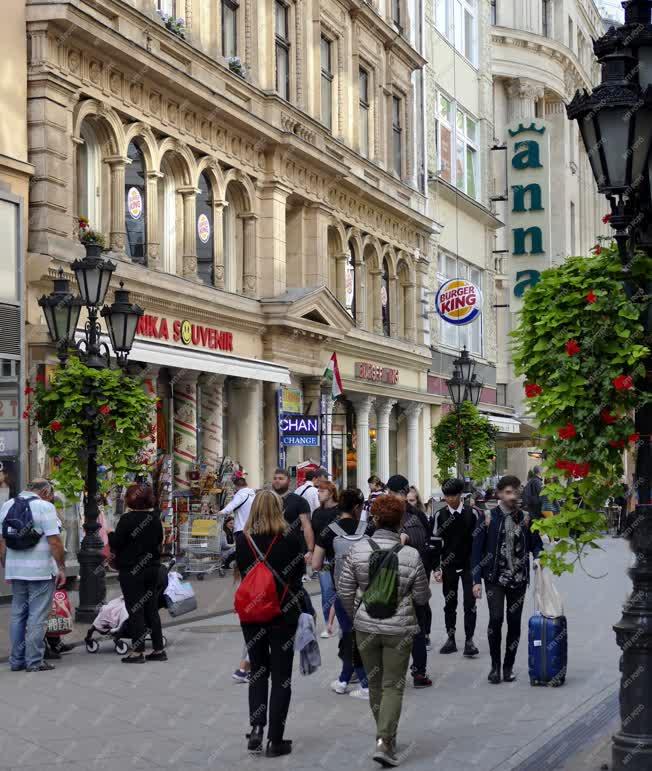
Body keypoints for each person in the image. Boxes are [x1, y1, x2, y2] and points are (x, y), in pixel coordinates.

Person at [338, 495, 430, 767]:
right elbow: (423, 597)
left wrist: (357, 611)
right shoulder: (411, 555)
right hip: (398, 629)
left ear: (375, 519)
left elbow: (344, 589)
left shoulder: (358, 550)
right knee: (393, 685)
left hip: (365, 627)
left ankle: (384, 736)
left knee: (376, 684)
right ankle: (385, 740)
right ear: (400, 520)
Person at [235, 490, 305, 757]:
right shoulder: (290, 537)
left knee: (258, 670)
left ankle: (256, 727)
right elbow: (298, 574)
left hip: (252, 614)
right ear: (279, 508)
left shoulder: (243, 540)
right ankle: (276, 740)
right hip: (283, 612)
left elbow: (243, 572)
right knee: (282, 676)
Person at [472, 475, 544, 684]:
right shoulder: (488, 517)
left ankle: (508, 666)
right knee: (496, 620)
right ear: (500, 494)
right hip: (494, 578)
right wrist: (476, 580)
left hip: (519, 580)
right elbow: (476, 551)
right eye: (509, 492)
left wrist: (539, 557)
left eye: (517, 492)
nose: (514, 496)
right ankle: (495, 666)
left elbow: (536, 544)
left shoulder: (526, 518)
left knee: (514, 623)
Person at [0, 478, 66, 672]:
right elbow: (54, 542)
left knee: (18, 614)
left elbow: (2, 540)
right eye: (51, 493)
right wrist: (61, 567)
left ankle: (16, 660)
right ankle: (34, 661)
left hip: (16, 570)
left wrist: (6, 564)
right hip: (40, 571)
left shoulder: (8, 504)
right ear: (45, 492)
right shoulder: (45, 507)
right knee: (37, 616)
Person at [313, 487, 369, 698]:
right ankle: (346, 680)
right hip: (367, 593)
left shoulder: (329, 530)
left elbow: (317, 564)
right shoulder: (368, 528)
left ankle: (362, 683)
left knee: (350, 635)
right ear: (357, 507)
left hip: (342, 593)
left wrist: (333, 564)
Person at [108, 483, 166, 664]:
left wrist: (110, 534)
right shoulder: (155, 519)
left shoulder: (126, 520)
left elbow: (116, 543)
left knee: (135, 609)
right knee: (151, 608)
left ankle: (138, 651)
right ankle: (158, 649)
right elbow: (159, 541)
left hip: (132, 570)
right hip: (152, 569)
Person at [387, 475, 432, 689]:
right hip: (415, 578)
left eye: (391, 492)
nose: (389, 496)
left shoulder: (387, 516)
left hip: (394, 579)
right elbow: (428, 545)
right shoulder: (419, 517)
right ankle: (419, 672)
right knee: (417, 628)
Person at [432, 478, 479, 657]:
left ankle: (469, 641)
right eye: (447, 496)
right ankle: (450, 639)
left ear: (461, 495)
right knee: (449, 604)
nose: (450, 499)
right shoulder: (439, 515)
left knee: (470, 604)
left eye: (453, 495)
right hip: (448, 566)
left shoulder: (472, 514)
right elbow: (435, 544)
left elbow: (477, 542)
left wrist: (478, 570)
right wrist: (436, 568)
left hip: (468, 566)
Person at [311, 481, 340, 636]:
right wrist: (311, 551)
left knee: (342, 590)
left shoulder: (340, 511)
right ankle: (329, 625)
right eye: (318, 490)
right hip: (323, 557)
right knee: (327, 591)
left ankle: (345, 621)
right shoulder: (316, 512)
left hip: (339, 555)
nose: (319, 493)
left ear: (331, 492)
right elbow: (313, 533)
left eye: (322, 490)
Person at [271, 468, 314, 566]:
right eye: (275, 478)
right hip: (270, 548)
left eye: (281, 478)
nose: (277, 480)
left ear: (288, 481)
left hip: (293, 549)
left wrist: (310, 550)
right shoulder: (266, 500)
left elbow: (307, 526)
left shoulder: (299, 501)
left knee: (294, 580)